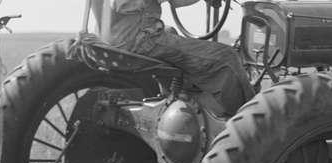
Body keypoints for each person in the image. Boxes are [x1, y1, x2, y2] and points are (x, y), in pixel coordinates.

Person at [106, 0, 255, 115]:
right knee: (227, 57)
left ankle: (178, 99)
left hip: (125, 36)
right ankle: (250, 123)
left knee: (171, 31)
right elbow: (120, 3)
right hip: (139, 39)